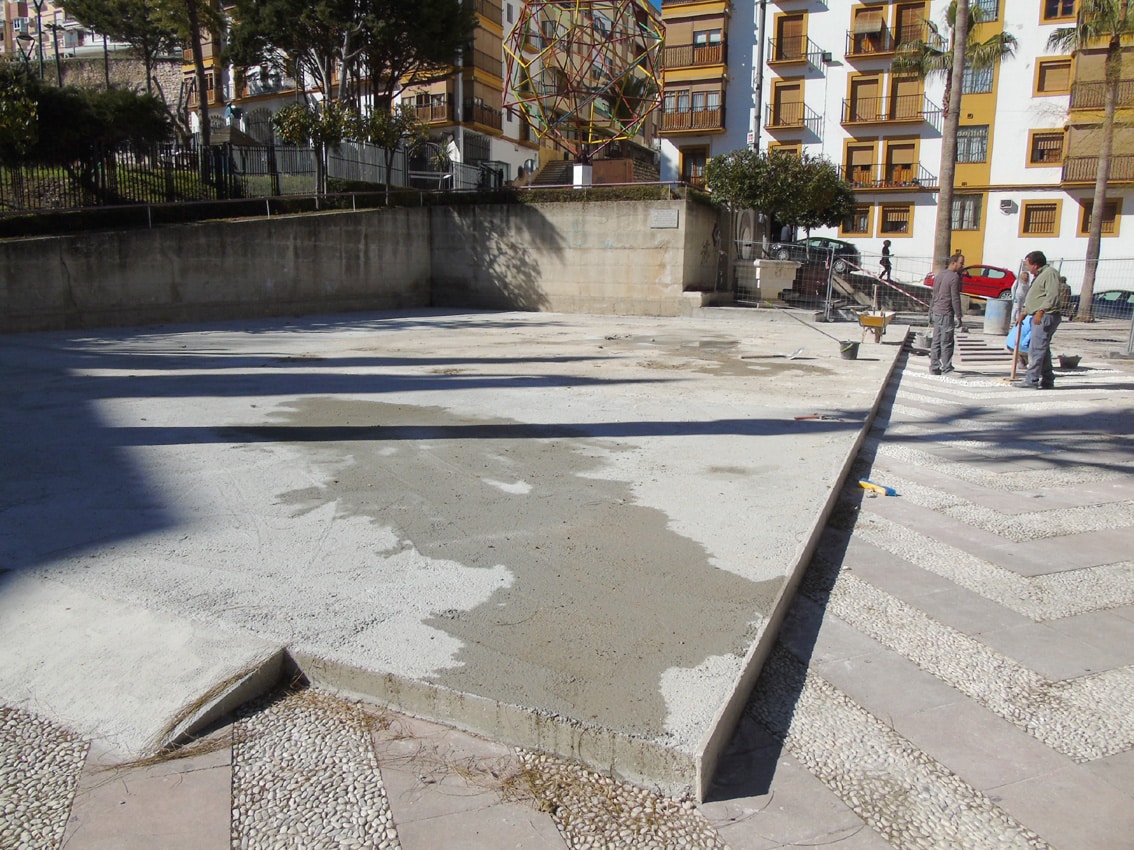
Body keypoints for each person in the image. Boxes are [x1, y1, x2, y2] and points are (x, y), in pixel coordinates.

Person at [1015, 250, 1062, 389]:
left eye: (1028, 265)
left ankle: (1032, 380)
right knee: (1042, 349)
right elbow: (1037, 296)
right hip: (1037, 315)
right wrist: (1025, 312)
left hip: (1045, 316)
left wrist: (1041, 312)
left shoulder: (1050, 273)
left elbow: (1052, 296)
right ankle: (1048, 379)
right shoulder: (1040, 275)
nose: (1027, 268)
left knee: (1036, 349)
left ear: (1035, 265)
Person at [929, 252, 965, 375]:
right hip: (946, 313)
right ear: (954, 263)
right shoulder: (954, 277)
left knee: (936, 340)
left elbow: (934, 295)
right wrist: (959, 316)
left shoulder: (940, 275)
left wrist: (930, 312)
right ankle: (947, 368)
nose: (962, 266)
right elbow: (955, 298)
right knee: (947, 341)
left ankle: (934, 367)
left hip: (936, 311)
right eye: (961, 263)